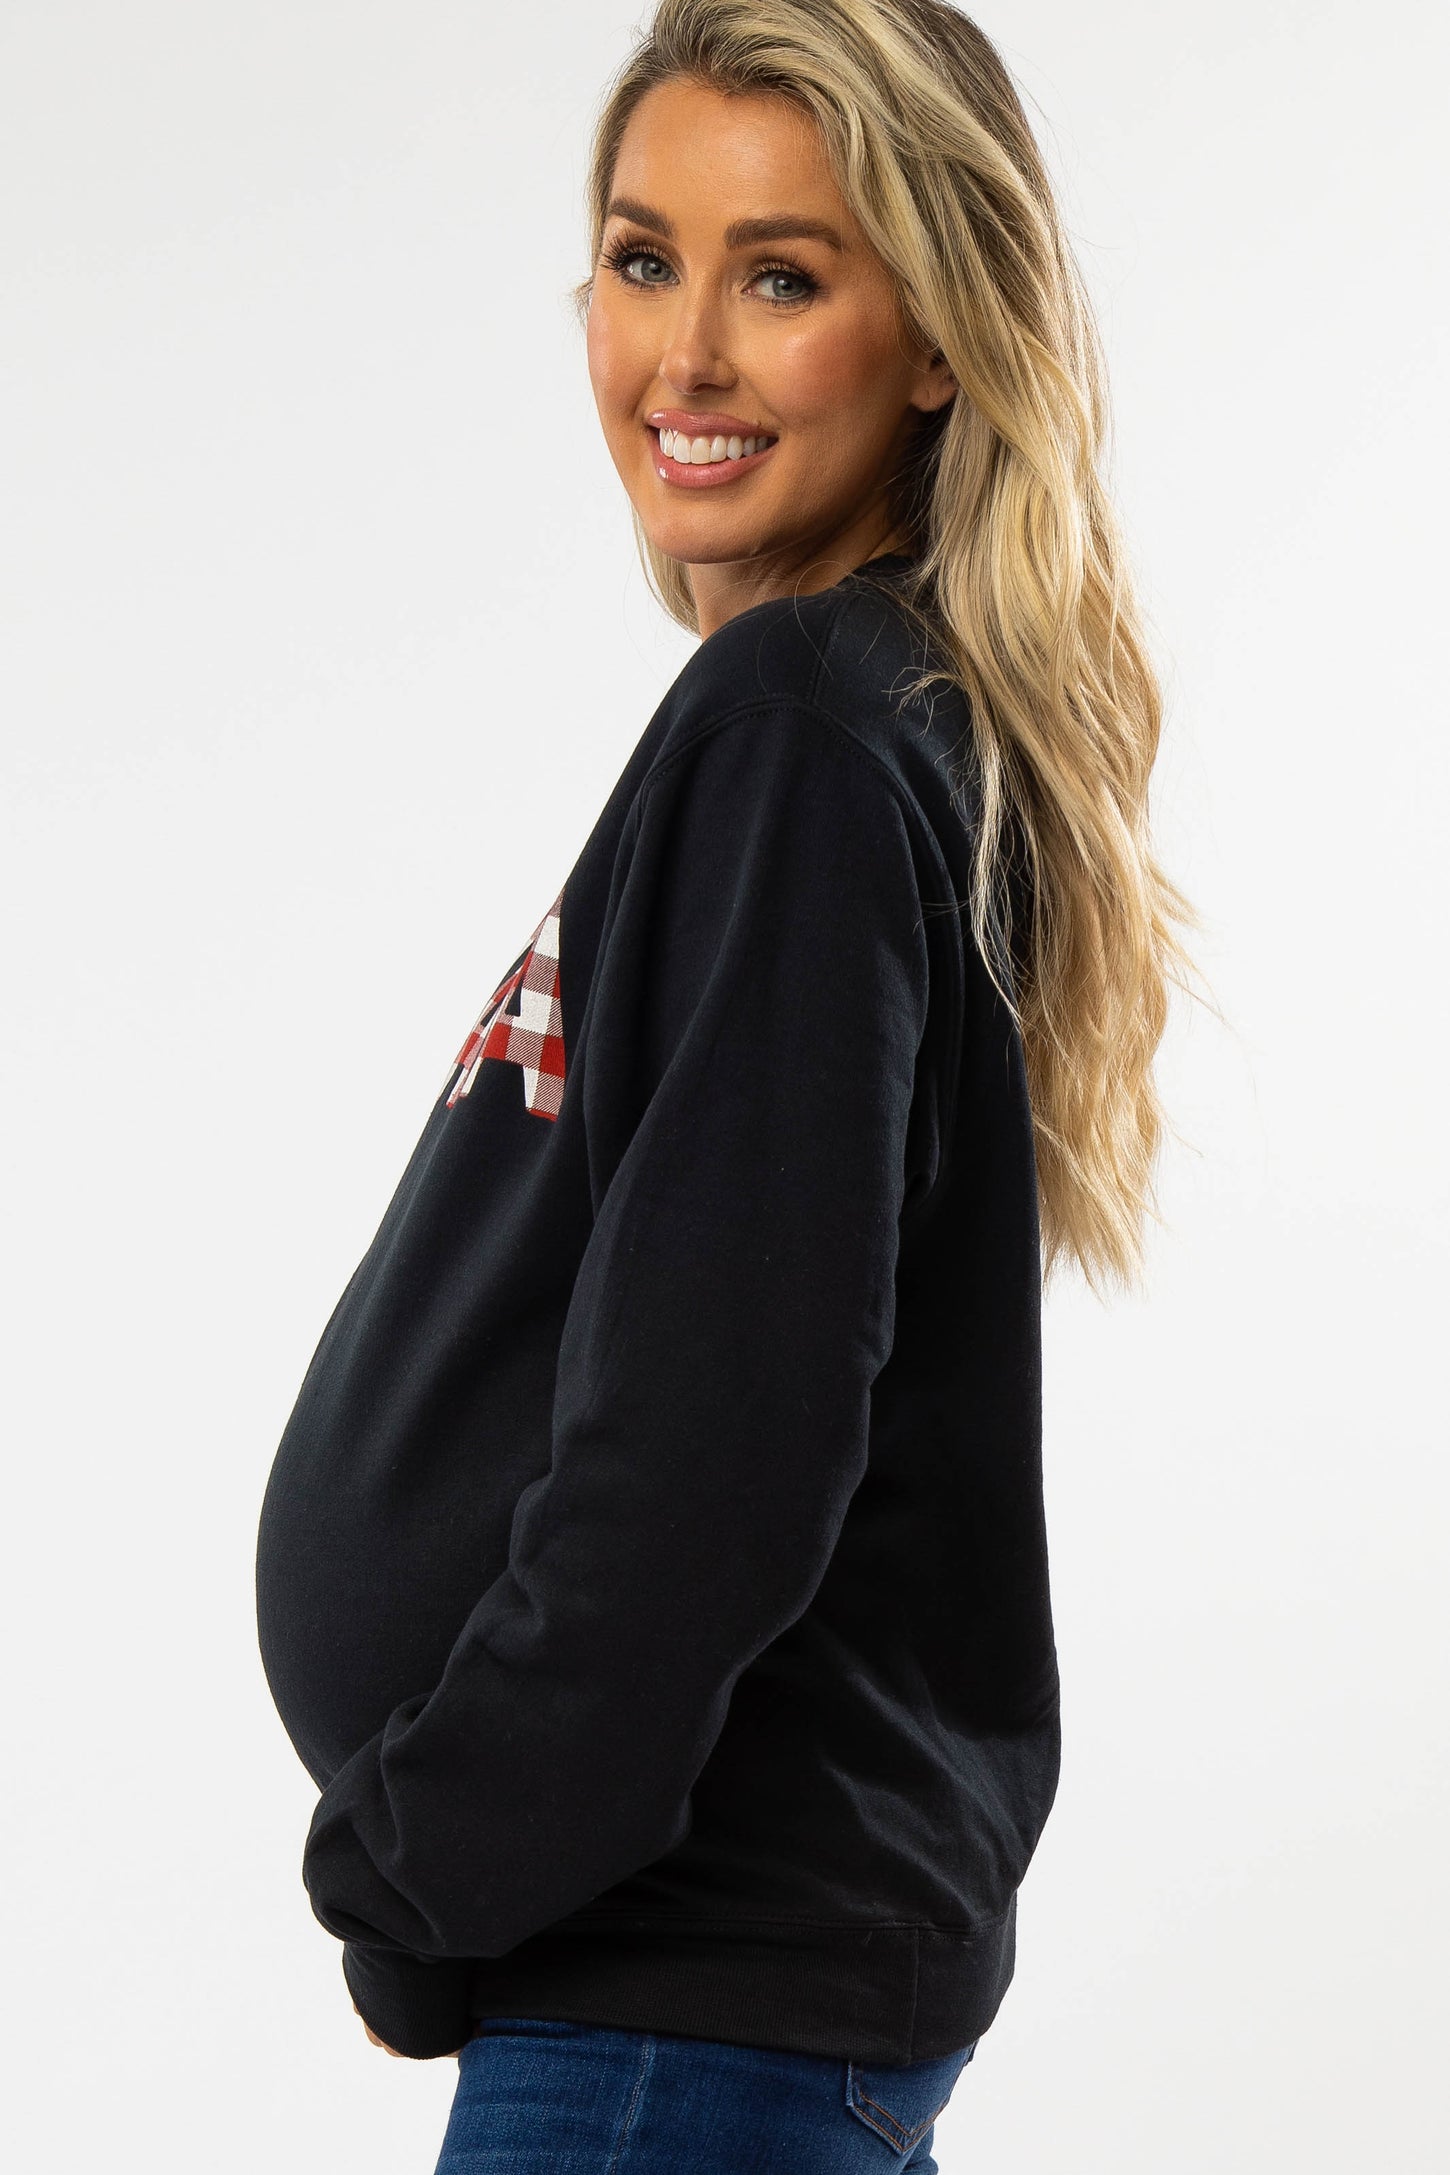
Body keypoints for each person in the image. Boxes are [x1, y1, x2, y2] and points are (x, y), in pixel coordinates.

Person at [253, 2, 1194, 2168]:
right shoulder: (847, 725)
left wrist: (420, 1870)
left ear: (934, 335)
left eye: (779, 276)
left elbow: (713, 1446)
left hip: (673, 2018)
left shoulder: (800, 731)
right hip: (710, 2014)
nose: (680, 355)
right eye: (639, 258)